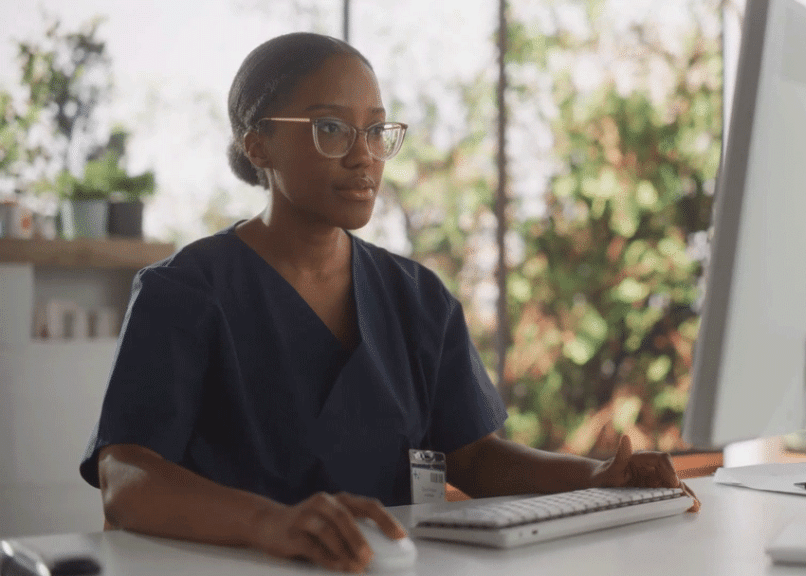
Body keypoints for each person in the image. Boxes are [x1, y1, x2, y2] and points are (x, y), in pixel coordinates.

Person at [80, 32, 683, 573]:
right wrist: (269, 524)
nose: (363, 154)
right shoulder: (185, 292)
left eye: (376, 129)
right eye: (332, 128)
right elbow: (128, 477)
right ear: (258, 145)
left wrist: (598, 476)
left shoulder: (417, 298)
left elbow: (474, 457)